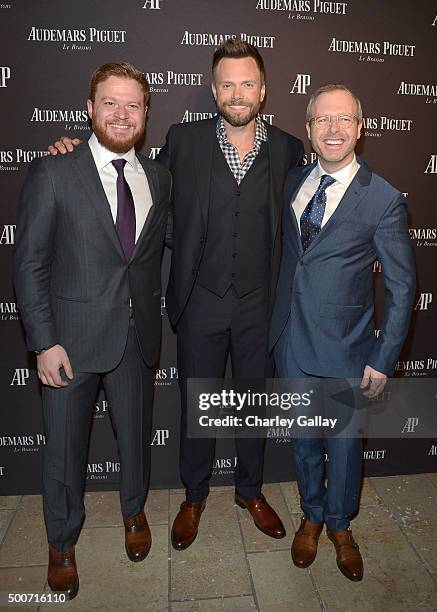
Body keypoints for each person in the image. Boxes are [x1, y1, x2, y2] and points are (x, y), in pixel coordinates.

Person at [47, 38, 304, 550]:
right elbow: (140, 195)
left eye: (247, 83)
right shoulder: (181, 142)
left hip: (260, 304)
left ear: (264, 90)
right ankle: (194, 494)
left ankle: (250, 490)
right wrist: (72, 151)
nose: (237, 93)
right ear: (212, 89)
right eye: (227, 83)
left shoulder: (288, 148)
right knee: (198, 406)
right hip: (200, 301)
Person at [14, 62, 172, 599]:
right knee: (62, 452)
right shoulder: (54, 171)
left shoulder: (159, 178)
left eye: (133, 104)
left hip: (135, 340)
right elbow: (30, 265)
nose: (122, 113)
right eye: (110, 102)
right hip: (69, 342)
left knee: (135, 439)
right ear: (90, 108)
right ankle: (61, 543)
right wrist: (42, 341)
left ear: (146, 114)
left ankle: (134, 512)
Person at [269, 84, 415, 581]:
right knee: (305, 441)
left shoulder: (384, 199)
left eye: (344, 120)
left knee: (346, 447)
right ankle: (310, 515)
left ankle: (339, 524)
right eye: (322, 121)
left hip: (348, 350)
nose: (333, 129)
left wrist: (383, 357)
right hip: (290, 340)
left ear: (361, 127)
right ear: (309, 130)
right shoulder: (293, 181)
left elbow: (402, 288)